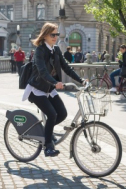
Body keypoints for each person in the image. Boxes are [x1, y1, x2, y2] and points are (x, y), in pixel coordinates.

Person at [23, 22, 86, 157]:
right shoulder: (40, 50)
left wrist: (81, 80)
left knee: (62, 114)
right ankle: (48, 146)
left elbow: (66, 68)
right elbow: (42, 71)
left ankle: (47, 131)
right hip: (37, 89)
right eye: (53, 34)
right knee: (52, 114)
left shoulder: (56, 49)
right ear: (45, 35)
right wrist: (55, 82)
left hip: (49, 88)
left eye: (57, 34)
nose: (55, 37)